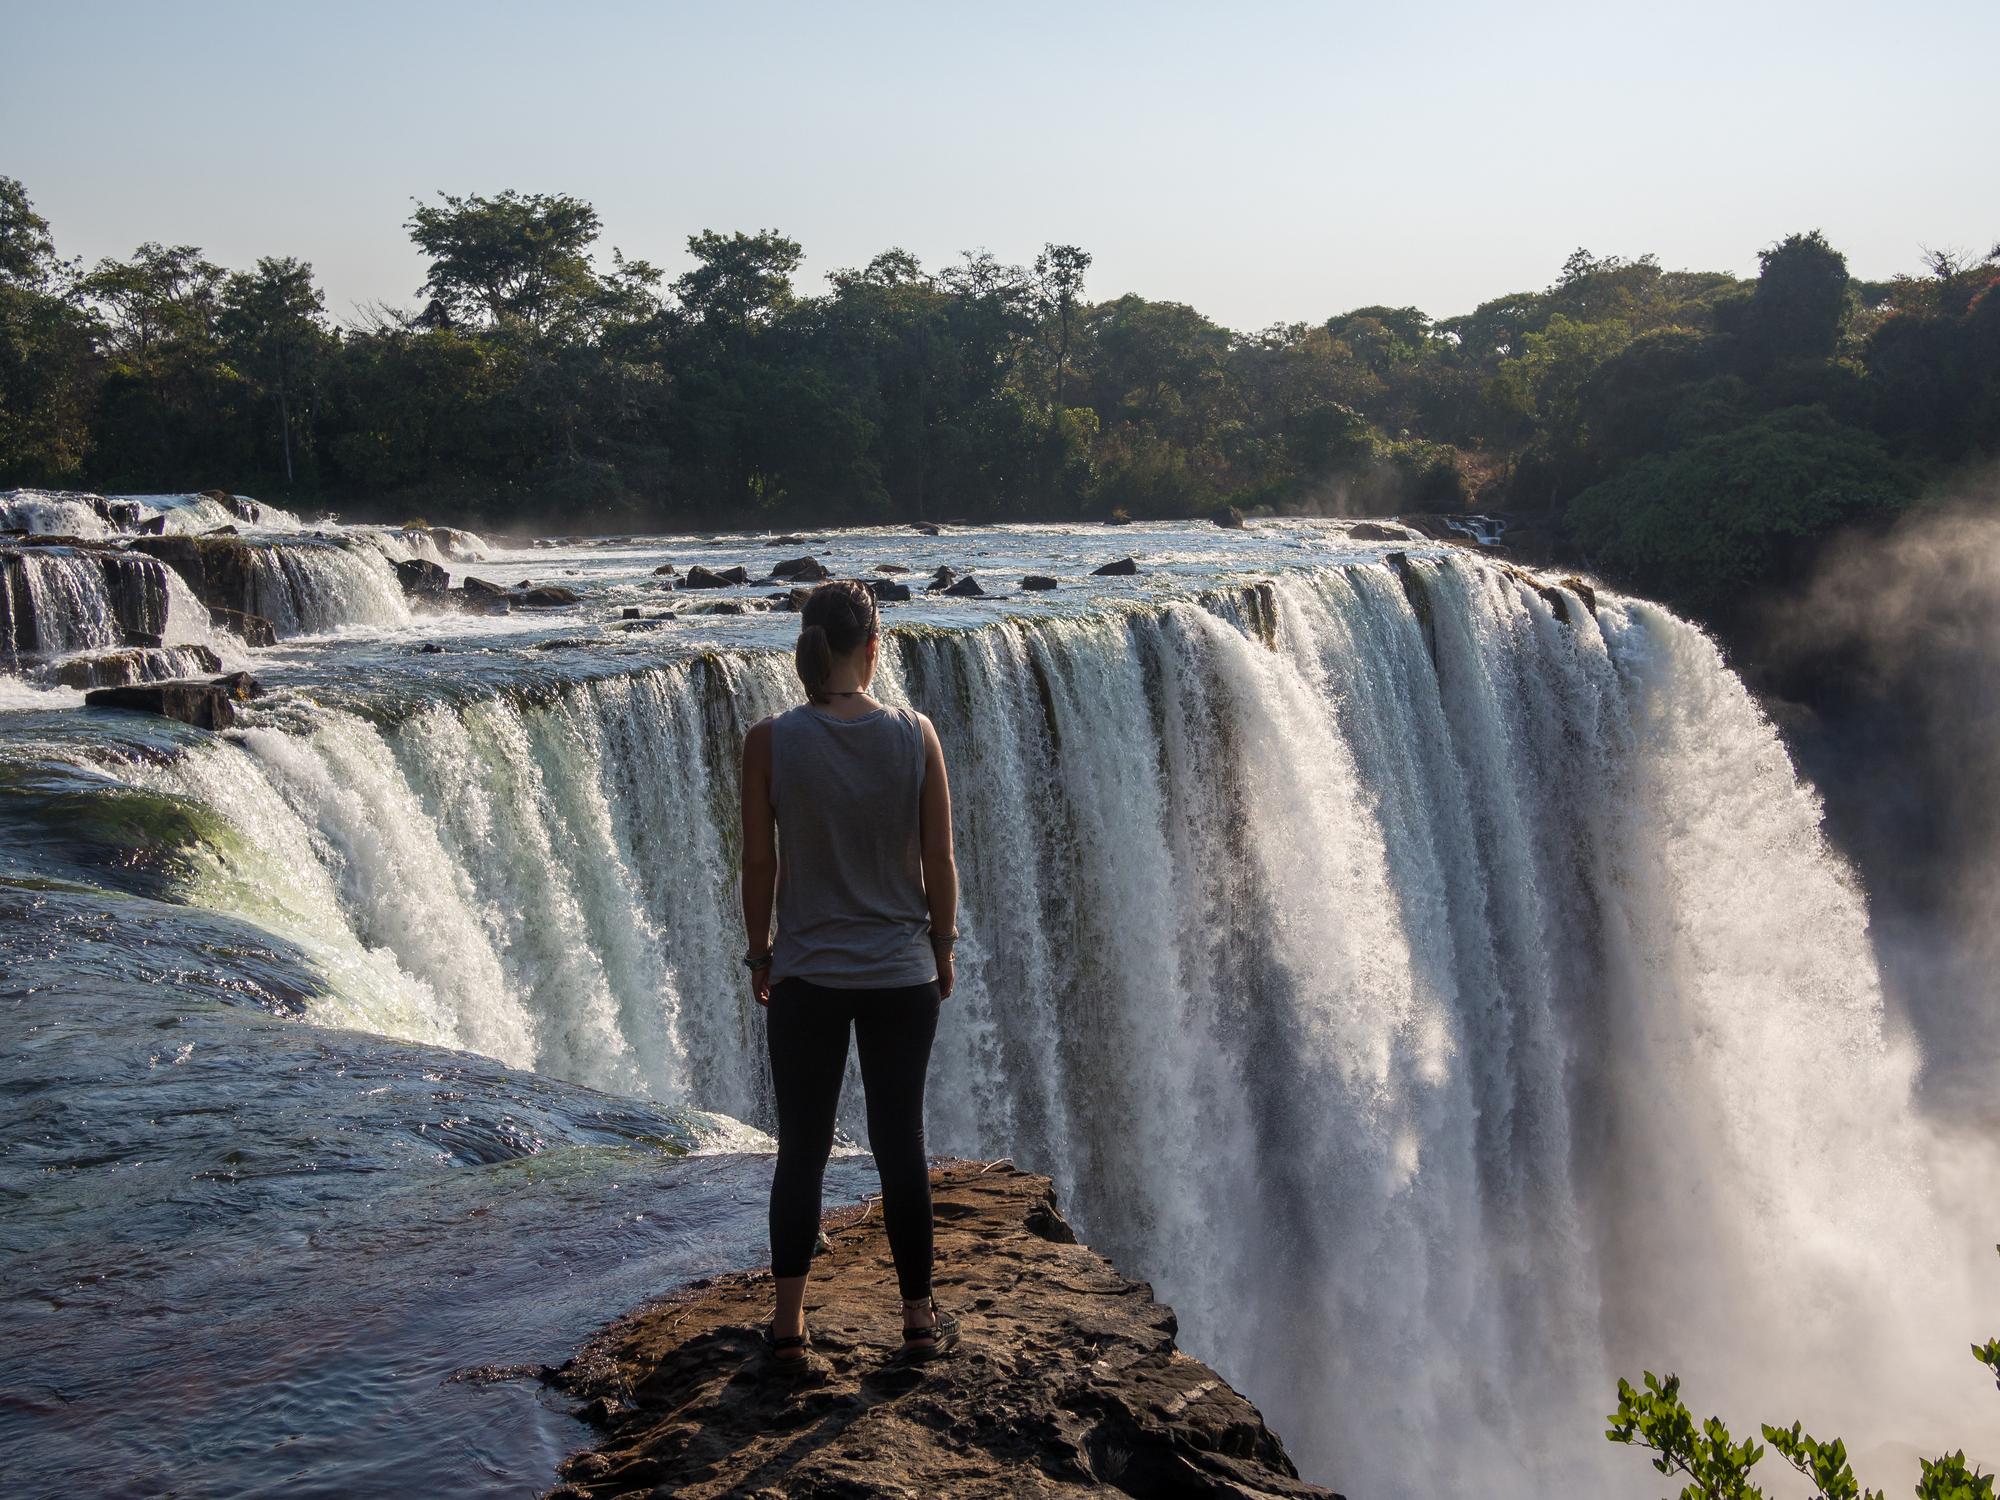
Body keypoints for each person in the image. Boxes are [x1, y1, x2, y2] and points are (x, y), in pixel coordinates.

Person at [739, 578, 962, 1371]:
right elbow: (937, 857)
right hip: (901, 974)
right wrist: (942, 944)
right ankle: (917, 1323)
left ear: (810, 647)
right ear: (875, 647)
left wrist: (761, 951)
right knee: (901, 1143)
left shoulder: (769, 740)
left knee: (801, 1150)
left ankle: (790, 1326)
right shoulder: (917, 734)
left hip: (806, 977)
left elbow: (760, 861)